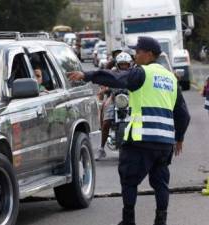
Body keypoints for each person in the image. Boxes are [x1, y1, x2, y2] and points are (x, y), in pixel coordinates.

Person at [67, 36, 190, 225]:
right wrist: (179, 138)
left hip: (141, 140)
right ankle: (161, 220)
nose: (135, 55)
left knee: (129, 180)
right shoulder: (171, 79)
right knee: (161, 183)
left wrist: (88, 75)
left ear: (149, 54)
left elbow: (116, 78)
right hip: (165, 144)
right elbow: (183, 114)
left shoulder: (142, 73)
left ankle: (128, 221)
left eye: (138, 51)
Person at [97, 52, 133, 160]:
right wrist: (104, 89)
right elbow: (104, 81)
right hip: (115, 99)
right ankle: (102, 148)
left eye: (125, 64)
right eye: (121, 64)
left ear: (129, 64)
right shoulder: (112, 73)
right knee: (106, 122)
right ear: (117, 64)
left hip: (131, 100)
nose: (124, 66)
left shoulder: (134, 73)